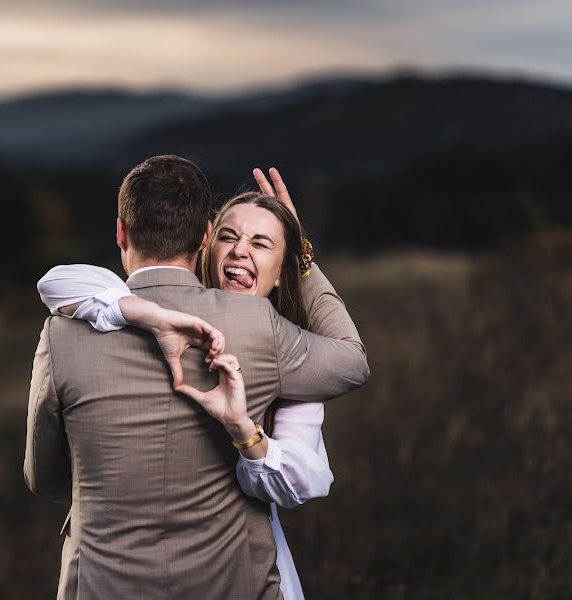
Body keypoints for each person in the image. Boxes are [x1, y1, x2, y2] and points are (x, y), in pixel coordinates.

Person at [24, 155, 369, 599]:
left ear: (120, 233)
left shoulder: (65, 328)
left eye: (263, 243)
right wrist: (302, 256)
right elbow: (351, 360)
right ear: (207, 236)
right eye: (230, 235)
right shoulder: (261, 328)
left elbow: (44, 477)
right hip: (233, 582)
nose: (242, 249)